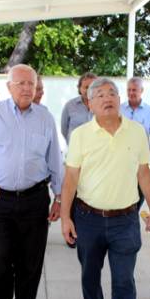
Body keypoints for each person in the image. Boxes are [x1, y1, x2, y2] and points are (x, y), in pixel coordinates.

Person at [60, 77, 150, 299]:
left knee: (124, 282)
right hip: (88, 218)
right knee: (89, 275)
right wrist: (66, 217)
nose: (108, 98)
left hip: (125, 220)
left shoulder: (137, 131)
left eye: (112, 94)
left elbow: (144, 174)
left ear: (120, 100)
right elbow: (71, 179)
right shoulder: (80, 135)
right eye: (100, 95)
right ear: (90, 104)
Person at [0, 64, 64, 299]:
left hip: (35, 199)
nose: (27, 88)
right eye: (21, 83)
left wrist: (58, 197)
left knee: (30, 261)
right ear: (9, 86)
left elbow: (54, 160)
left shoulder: (45, 118)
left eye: (31, 83)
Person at [60, 72, 97, 248]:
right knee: (73, 196)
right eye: (85, 86)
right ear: (80, 88)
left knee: (91, 196)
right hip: (76, 160)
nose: (88, 90)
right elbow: (64, 129)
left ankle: (90, 232)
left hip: (96, 161)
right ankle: (72, 233)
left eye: (92, 86)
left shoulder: (100, 105)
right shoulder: (70, 106)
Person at [120, 77, 150, 209]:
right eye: (129, 89)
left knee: (140, 190)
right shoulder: (119, 109)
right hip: (121, 157)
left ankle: (133, 212)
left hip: (140, 158)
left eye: (134, 90)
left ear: (141, 90)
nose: (131, 92)